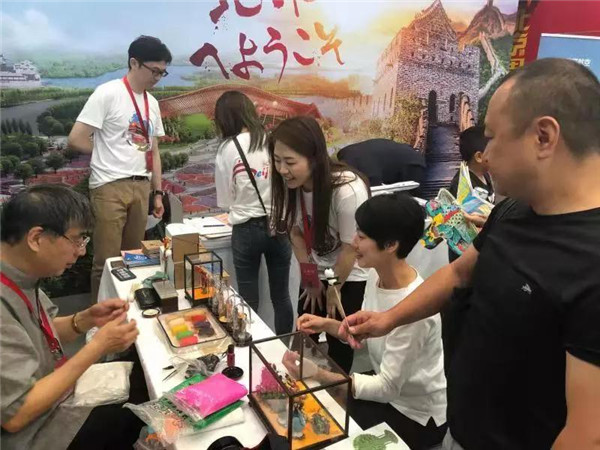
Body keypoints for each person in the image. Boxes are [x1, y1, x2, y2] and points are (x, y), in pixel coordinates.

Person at [340, 58, 600, 450]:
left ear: (543, 137)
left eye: (492, 137)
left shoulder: (591, 261)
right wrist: (388, 320)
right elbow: (460, 273)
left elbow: (586, 434)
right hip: (461, 429)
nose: (485, 154)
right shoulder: (512, 211)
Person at [295, 194, 447, 449]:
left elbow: (387, 387)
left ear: (391, 245)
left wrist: (320, 374)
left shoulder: (414, 309)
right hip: (389, 394)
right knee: (316, 410)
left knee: (325, 425)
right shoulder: (376, 278)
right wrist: (324, 324)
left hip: (416, 416)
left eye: (362, 236)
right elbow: (363, 335)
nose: (353, 242)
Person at [0, 185, 143, 450]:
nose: (80, 251)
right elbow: (16, 414)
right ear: (36, 238)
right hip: (35, 434)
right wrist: (97, 346)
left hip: (51, 402)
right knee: (144, 408)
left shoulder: (20, 276)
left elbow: (39, 332)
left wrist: (85, 319)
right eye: (76, 240)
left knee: (140, 371)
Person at [68, 35, 172, 302]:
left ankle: (127, 313)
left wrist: (157, 193)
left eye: (162, 72)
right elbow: (76, 138)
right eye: (154, 70)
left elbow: (154, 151)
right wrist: (108, 153)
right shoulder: (108, 93)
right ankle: (101, 319)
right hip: (109, 186)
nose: (158, 77)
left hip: (141, 186)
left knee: (132, 259)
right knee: (106, 262)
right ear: (134, 63)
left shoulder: (152, 103)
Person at [269, 116, 369, 373]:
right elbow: (296, 234)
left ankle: (336, 390)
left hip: (348, 274)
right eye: (277, 160)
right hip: (318, 269)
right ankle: (300, 385)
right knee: (305, 332)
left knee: (340, 340)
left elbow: (350, 248)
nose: (282, 169)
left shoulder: (347, 189)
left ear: (314, 158)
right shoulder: (291, 185)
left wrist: (333, 288)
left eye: (290, 162)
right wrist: (311, 280)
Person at [214, 91, 293, 334]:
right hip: (279, 226)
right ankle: (285, 346)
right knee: (281, 296)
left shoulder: (228, 148)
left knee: (248, 300)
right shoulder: (273, 141)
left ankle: (252, 348)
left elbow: (225, 200)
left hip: (246, 230)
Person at [447, 126, 494, 262]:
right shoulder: (461, 185)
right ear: (479, 157)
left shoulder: (485, 175)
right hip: (465, 256)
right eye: (494, 151)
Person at [337, 138, 425, 191]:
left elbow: (375, 192)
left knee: (410, 204)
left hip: (411, 164)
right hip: (402, 157)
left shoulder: (367, 171)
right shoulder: (345, 153)